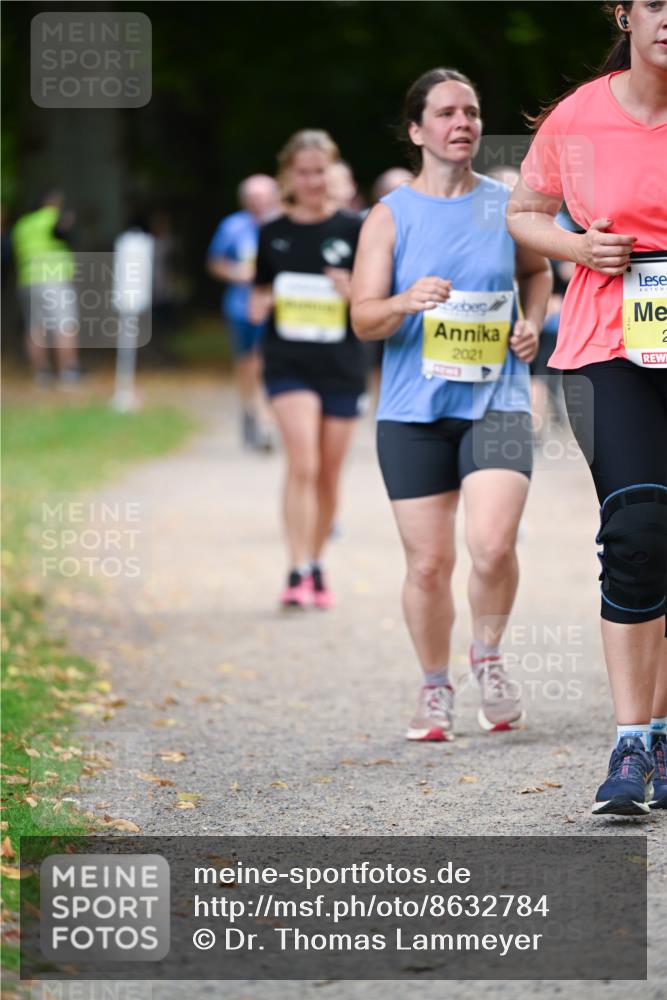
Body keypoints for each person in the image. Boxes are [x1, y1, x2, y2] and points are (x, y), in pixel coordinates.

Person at [351, 68, 552, 740]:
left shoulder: (506, 205)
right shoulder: (388, 217)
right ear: (416, 130)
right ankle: (434, 686)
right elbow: (362, 319)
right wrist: (406, 301)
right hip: (412, 413)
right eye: (445, 113)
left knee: (492, 547)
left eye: (469, 111)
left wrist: (530, 321)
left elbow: (537, 270)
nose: (461, 122)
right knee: (428, 564)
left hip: (495, 401)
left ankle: (487, 657)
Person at [507, 0, 667, 814]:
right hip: (610, 343)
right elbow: (523, 213)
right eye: (656, 2)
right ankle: (631, 743)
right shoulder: (577, 116)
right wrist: (579, 248)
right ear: (625, 13)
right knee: (638, 529)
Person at [250, 130, 366, 609]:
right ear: (288, 176)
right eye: (303, 171)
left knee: (329, 476)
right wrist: (272, 296)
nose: (313, 180)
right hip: (288, 363)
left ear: (332, 173)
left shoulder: (354, 229)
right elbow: (256, 303)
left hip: (341, 363)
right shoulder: (272, 232)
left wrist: (350, 290)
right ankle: (295, 566)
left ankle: (316, 564)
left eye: (320, 171)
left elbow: (373, 300)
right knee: (303, 462)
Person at [207, 174, 280, 450]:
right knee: (246, 363)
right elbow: (215, 262)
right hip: (240, 306)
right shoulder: (232, 226)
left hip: (275, 306)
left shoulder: (282, 224)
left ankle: (265, 422)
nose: (260, 203)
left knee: (265, 361)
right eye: (254, 198)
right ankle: (250, 410)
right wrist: (237, 273)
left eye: (264, 197)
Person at [11, 190, 80, 388]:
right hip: (54, 278)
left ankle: (41, 374)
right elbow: (61, 232)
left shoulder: (23, 224)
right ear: (52, 202)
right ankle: (69, 372)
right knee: (65, 325)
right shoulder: (52, 217)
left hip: (28, 281)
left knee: (35, 328)